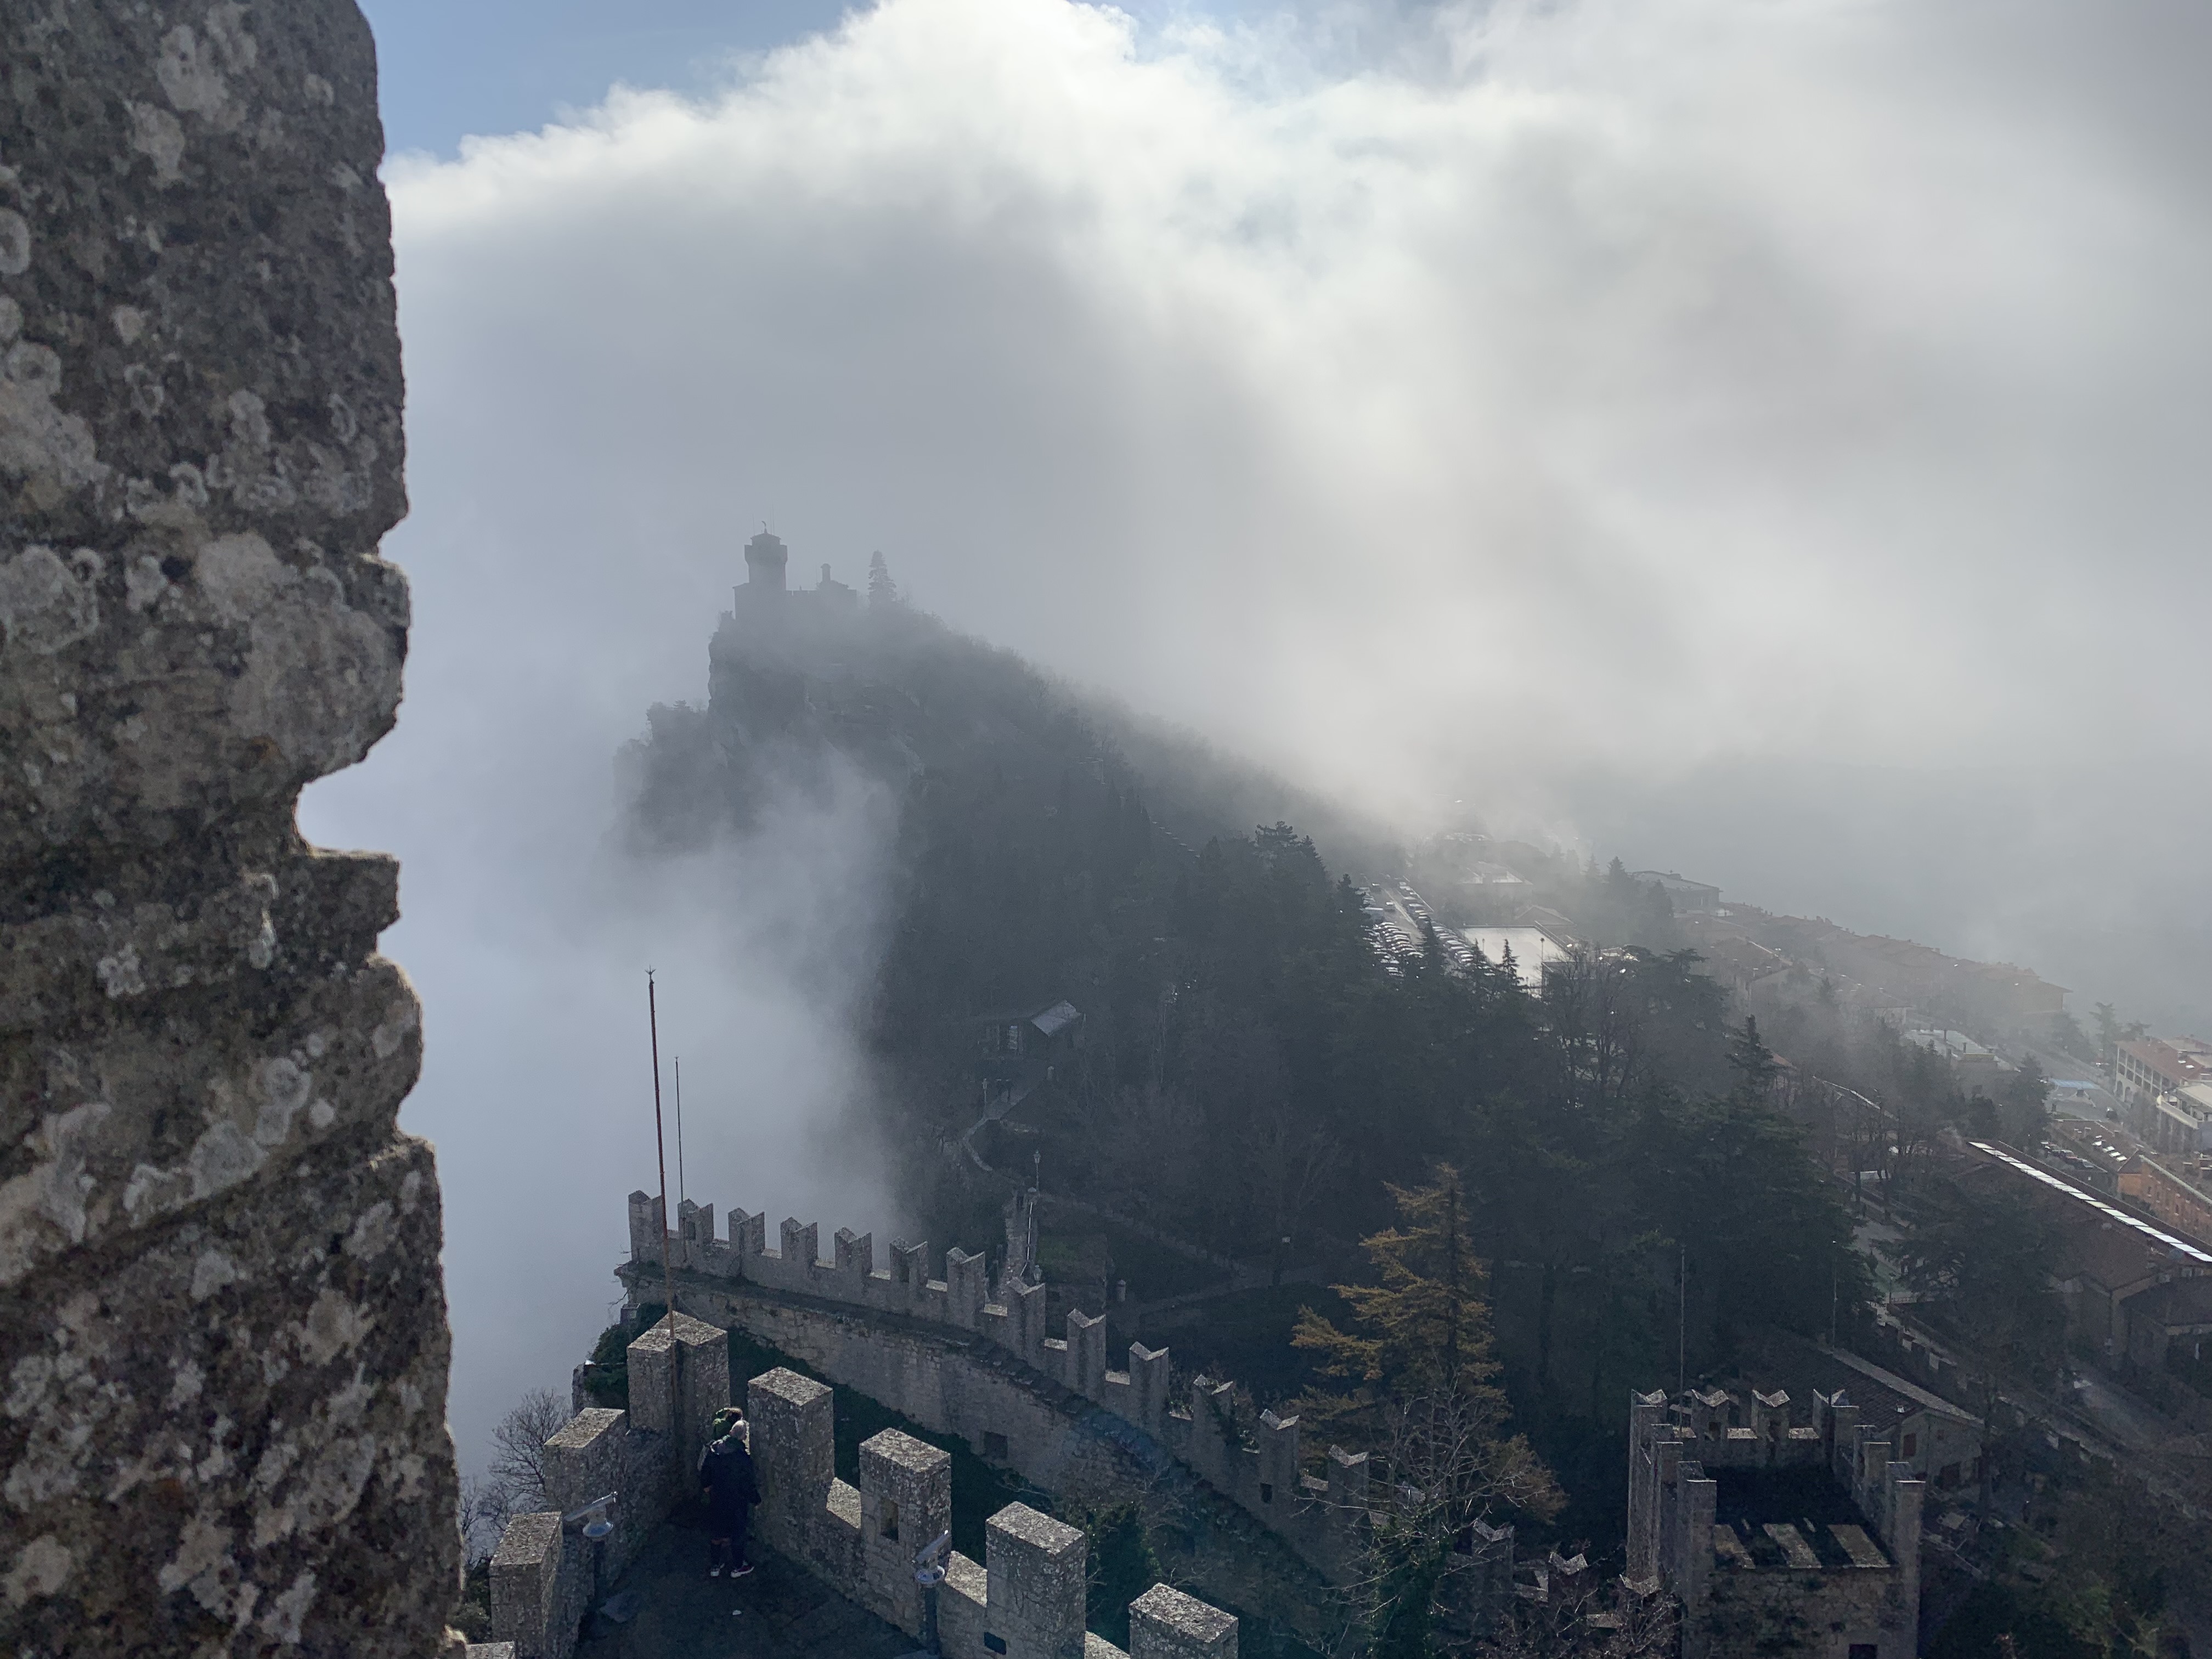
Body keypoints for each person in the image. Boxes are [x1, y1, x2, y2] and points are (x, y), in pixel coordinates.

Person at [698, 1407, 761, 1578]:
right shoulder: (742, 1459)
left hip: (717, 1497)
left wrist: (707, 1486)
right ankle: (738, 1566)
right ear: (743, 1437)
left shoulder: (715, 1449)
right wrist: (756, 1500)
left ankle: (715, 1566)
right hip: (736, 1502)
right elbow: (748, 1484)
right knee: (737, 1534)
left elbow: (706, 1470)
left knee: (717, 1533)